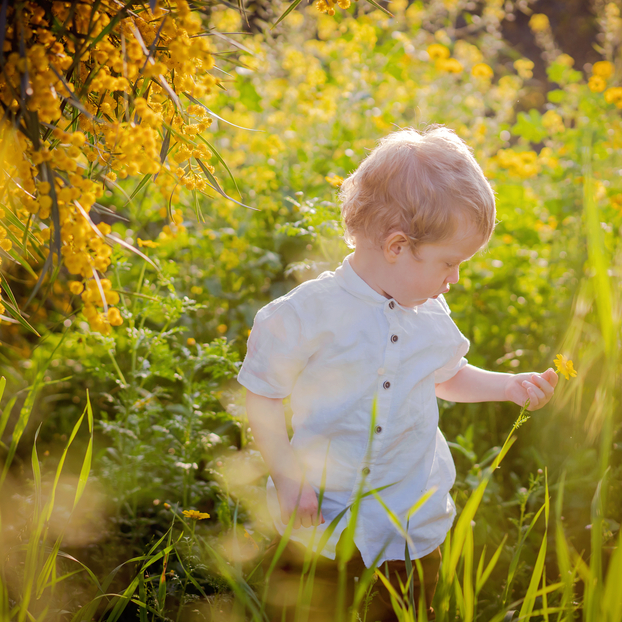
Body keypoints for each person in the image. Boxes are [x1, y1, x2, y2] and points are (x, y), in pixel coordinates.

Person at [238, 126, 559, 621]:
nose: (454, 279)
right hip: (320, 518)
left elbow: (445, 376)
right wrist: (286, 474)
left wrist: (508, 386)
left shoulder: (431, 313)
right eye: (449, 263)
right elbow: (260, 395)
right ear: (396, 246)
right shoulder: (303, 315)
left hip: (407, 523)